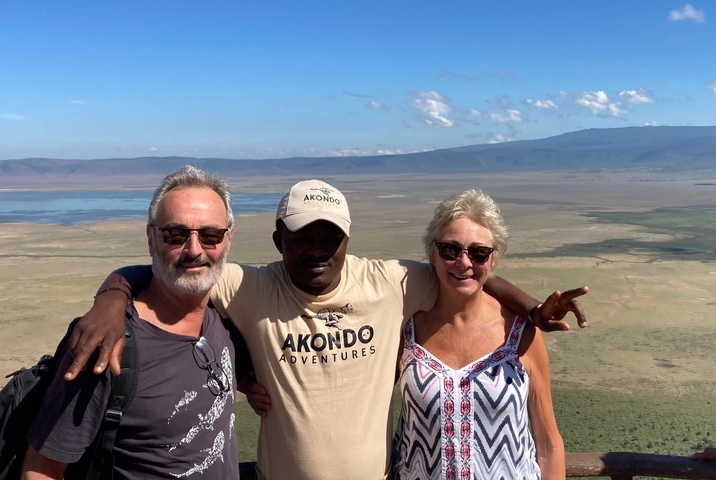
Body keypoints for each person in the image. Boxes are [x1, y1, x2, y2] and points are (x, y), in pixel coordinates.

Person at [66, 179, 587, 480]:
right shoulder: (249, 287)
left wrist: (534, 308)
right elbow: (183, 266)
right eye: (302, 237)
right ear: (277, 240)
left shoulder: (391, 281)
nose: (318, 248)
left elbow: (471, 274)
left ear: (347, 239)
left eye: (330, 237)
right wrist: (112, 297)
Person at [21, 166, 244, 479]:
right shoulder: (107, 344)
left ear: (228, 240)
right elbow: (42, 469)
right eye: (176, 234)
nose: (194, 249)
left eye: (210, 235)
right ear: (152, 239)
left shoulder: (225, 315)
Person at [392, 190, 566, 479]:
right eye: (450, 250)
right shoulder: (405, 331)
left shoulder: (521, 335)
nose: (464, 262)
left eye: (478, 252)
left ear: (493, 259)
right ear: (432, 254)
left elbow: (548, 444)